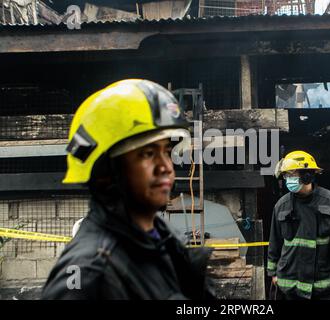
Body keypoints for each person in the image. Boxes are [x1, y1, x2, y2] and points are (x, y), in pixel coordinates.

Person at [41, 79, 215, 300]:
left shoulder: (164, 239)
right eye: (147, 154)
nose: (166, 167)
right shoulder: (88, 277)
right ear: (105, 171)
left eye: (166, 151)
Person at [267, 151, 330, 300]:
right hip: (289, 286)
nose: (288, 179)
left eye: (292, 174)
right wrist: (273, 273)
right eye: (286, 175)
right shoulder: (281, 206)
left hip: (323, 286)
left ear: (307, 175)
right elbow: (275, 242)